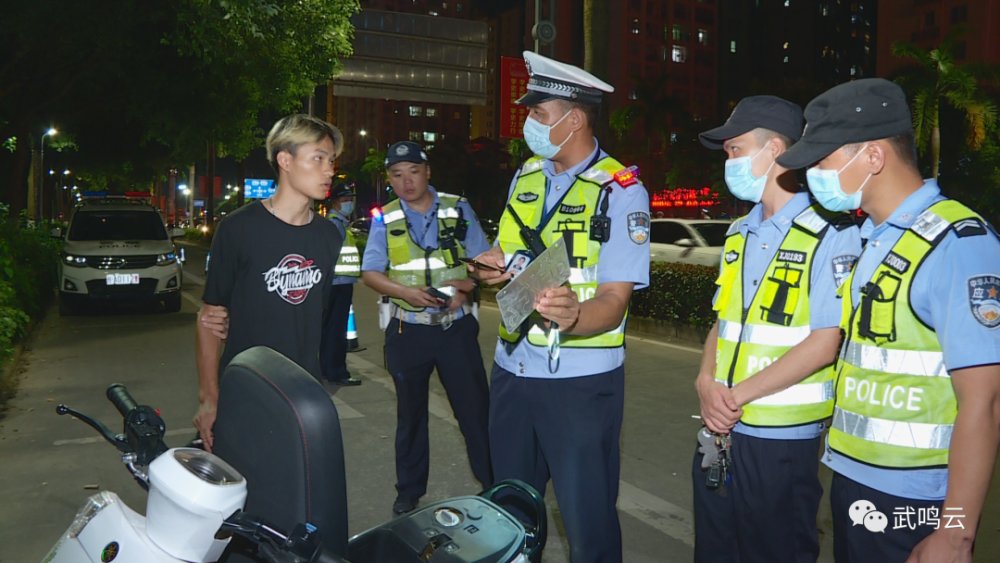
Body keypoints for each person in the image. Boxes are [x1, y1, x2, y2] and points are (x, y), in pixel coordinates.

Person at [775, 78, 1000, 563]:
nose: (812, 174)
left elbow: (986, 401)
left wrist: (956, 533)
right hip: (855, 479)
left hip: (917, 500)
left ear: (872, 156)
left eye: (821, 161)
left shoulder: (958, 242)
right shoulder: (875, 240)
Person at [471, 51, 650, 563]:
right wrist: (488, 270)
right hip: (512, 368)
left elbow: (614, 301)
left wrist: (575, 317)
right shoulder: (525, 176)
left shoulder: (621, 193)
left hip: (579, 382)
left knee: (586, 521)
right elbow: (511, 259)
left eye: (539, 114)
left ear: (574, 119)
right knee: (508, 515)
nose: (529, 123)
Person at [691, 96, 862, 563]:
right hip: (720, 430)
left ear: (776, 150)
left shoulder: (832, 233)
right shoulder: (738, 232)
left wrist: (736, 395)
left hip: (781, 442)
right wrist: (706, 381)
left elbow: (827, 341)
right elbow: (722, 322)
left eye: (736, 149)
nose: (729, 160)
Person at [193, 114, 344, 452]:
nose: (329, 171)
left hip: (304, 395)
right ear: (285, 160)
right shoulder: (238, 229)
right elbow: (210, 318)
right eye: (319, 158)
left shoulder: (329, 236)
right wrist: (209, 398)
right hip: (246, 388)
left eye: (331, 161)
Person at [360, 141, 493, 516]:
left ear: (427, 171)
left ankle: (493, 483)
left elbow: (483, 263)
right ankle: (409, 491)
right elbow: (370, 272)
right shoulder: (384, 218)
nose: (406, 182)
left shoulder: (457, 208)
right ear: (389, 178)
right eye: (397, 175)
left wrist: (465, 288)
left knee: (474, 412)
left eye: (413, 172)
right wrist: (405, 292)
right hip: (408, 330)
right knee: (411, 415)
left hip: (455, 328)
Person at [320, 182, 362, 386]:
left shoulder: (338, 222)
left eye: (350, 199)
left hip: (338, 283)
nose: (349, 203)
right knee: (336, 330)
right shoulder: (335, 223)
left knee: (330, 329)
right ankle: (337, 372)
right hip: (338, 284)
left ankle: (327, 368)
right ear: (335, 202)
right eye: (345, 200)